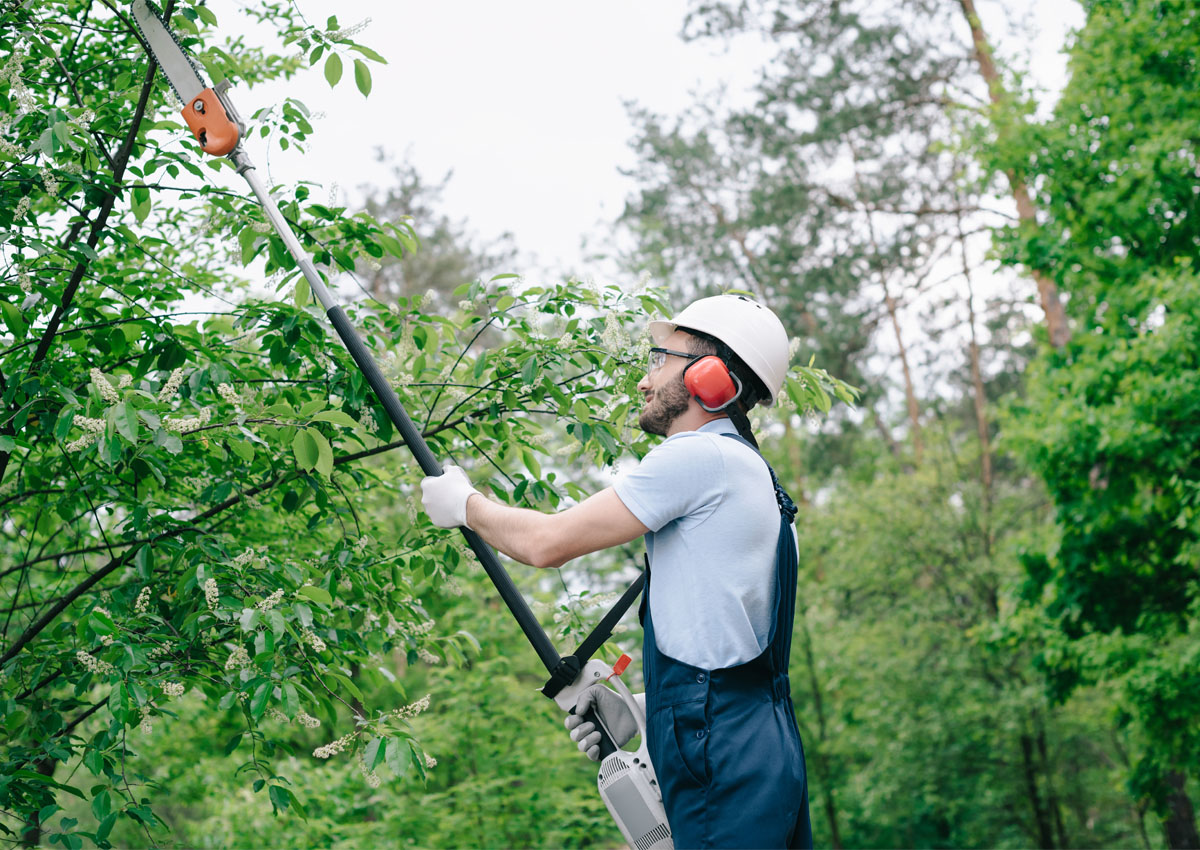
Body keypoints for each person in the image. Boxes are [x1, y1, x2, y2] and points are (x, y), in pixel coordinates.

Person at [420, 294, 813, 849]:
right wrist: (651, 711)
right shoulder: (758, 481)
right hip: (759, 748)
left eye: (659, 358)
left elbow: (545, 544)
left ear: (710, 376)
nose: (644, 381)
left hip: (718, 753)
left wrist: (464, 504)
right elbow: (729, 650)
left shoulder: (699, 458)